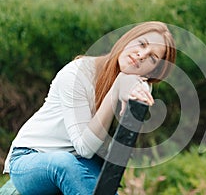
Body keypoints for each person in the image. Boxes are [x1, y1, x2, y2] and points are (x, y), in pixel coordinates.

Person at [2, 21, 176, 195]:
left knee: (103, 188)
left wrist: (128, 82)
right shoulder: (75, 75)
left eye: (153, 58)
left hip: (81, 164)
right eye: (142, 44)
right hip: (31, 158)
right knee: (64, 163)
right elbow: (84, 147)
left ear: (153, 72)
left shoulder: (137, 84)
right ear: (127, 40)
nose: (141, 55)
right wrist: (115, 89)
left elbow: (142, 90)